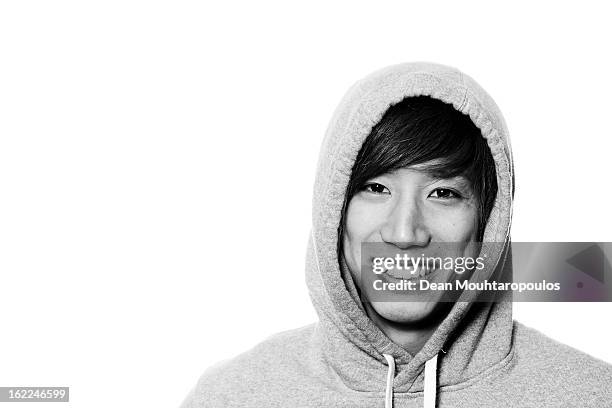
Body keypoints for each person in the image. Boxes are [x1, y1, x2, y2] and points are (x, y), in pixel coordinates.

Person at [181, 62, 612, 407]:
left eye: (443, 192)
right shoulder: (233, 396)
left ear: (488, 220)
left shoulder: (591, 396)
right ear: (333, 209)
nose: (405, 232)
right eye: (376, 188)